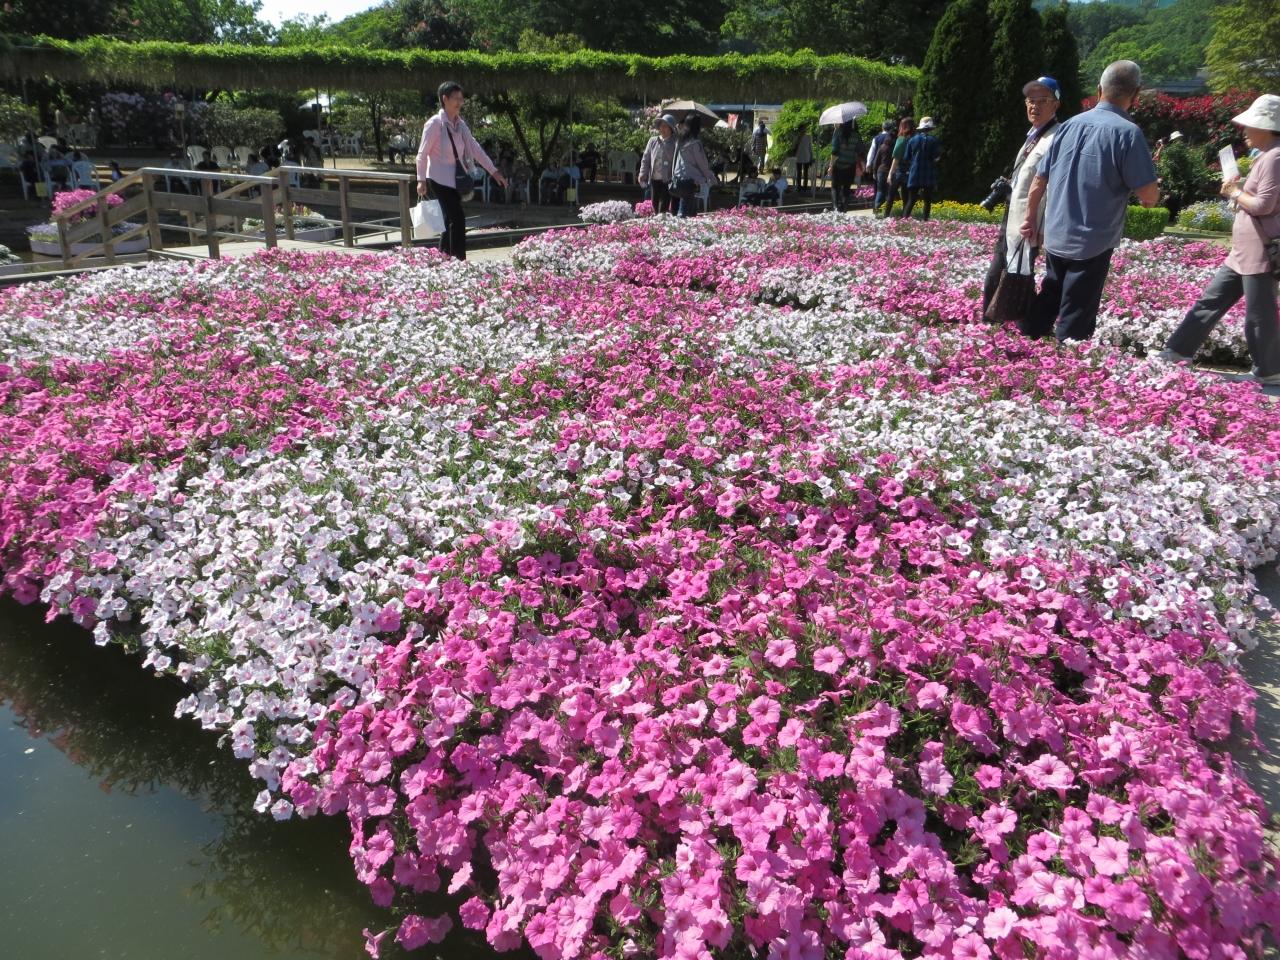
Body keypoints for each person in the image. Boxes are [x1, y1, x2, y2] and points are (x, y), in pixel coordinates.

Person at [1020, 60, 1159, 341]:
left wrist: (1030, 217)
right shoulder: (1127, 132)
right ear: (1136, 93)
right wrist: (1151, 195)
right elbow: (1148, 195)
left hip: (1057, 232)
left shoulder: (1068, 125)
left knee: (1050, 294)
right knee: (1077, 311)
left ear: (1099, 90)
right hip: (1093, 239)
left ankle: (1024, 345)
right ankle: (1066, 360)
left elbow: (1039, 180)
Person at [1153, 95, 1280, 384]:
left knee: (1259, 313)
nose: (1244, 131)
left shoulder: (1275, 157)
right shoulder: (1267, 155)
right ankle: (1177, 351)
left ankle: (1269, 371)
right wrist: (1238, 191)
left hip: (1260, 250)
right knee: (1211, 300)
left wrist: (1235, 192)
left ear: (1267, 127)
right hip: (1245, 249)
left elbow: (1264, 206)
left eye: (1250, 125)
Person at [982, 76, 1062, 315]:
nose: (1034, 106)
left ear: (1056, 105)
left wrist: (1042, 225)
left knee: (1015, 272)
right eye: (1030, 101)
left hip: (1029, 221)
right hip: (1015, 215)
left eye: (1042, 100)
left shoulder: (1055, 137)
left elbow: (1051, 186)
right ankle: (1005, 320)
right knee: (1006, 270)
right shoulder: (1035, 134)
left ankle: (1013, 321)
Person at [416, 80, 506, 260]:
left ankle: (443, 259)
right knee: (457, 219)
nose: (459, 102)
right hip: (439, 179)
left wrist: (493, 171)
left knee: (450, 220)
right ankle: (458, 260)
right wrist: (421, 180)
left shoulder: (460, 125)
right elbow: (422, 154)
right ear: (445, 99)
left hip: (456, 179)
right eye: (455, 98)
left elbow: (475, 148)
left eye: (461, 98)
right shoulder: (434, 124)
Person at [672, 115, 716, 218]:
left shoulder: (680, 141)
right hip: (691, 179)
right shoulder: (695, 143)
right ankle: (682, 224)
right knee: (687, 210)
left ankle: (681, 221)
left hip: (679, 177)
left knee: (685, 204)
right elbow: (702, 163)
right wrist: (711, 177)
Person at [639, 114, 680, 215]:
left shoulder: (675, 142)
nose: (662, 129)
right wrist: (642, 174)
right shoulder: (653, 141)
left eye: (665, 126)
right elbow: (646, 159)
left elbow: (678, 161)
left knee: (663, 208)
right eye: (661, 126)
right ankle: (659, 223)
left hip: (668, 180)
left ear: (671, 128)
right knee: (655, 205)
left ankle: (662, 223)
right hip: (654, 179)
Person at [902, 117, 941, 220]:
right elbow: (936, 157)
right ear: (931, 129)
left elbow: (906, 158)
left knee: (911, 200)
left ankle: (904, 220)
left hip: (915, 171)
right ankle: (925, 221)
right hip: (928, 172)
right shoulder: (934, 140)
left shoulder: (912, 140)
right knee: (927, 200)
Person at [829, 119, 863, 212]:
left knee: (835, 187)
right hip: (850, 165)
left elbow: (834, 151)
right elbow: (859, 150)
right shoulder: (856, 135)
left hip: (838, 165)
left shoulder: (838, 132)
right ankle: (844, 207)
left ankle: (835, 207)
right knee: (847, 188)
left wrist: (831, 166)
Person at [885, 117, 916, 218]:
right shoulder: (915, 139)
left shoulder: (901, 139)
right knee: (906, 197)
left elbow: (896, 158)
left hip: (899, 171)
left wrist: (890, 173)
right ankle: (905, 218)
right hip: (910, 170)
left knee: (891, 195)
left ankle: (886, 216)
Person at [867, 120, 897, 216]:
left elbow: (872, 152)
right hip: (891, 169)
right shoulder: (895, 141)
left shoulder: (877, 139)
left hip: (880, 169)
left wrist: (869, 165)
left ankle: (876, 211)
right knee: (889, 192)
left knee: (879, 190)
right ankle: (886, 212)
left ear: (882, 127)